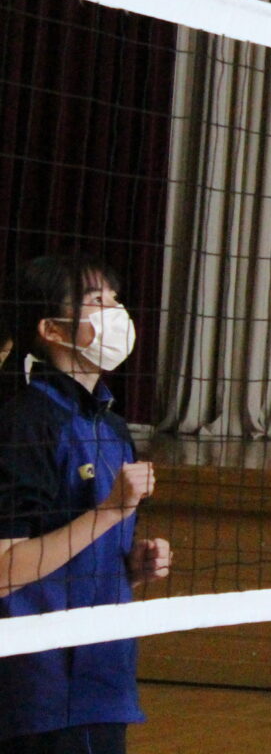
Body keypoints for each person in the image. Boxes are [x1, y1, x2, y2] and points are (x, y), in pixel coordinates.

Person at [0, 254, 173, 754]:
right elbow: (7, 568)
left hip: (104, 677)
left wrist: (131, 567)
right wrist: (111, 512)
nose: (116, 312)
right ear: (52, 329)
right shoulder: (27, 425)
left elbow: (77, 551)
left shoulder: (113, 427)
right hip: (39, 686)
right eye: (97, 302)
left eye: (115, 301)